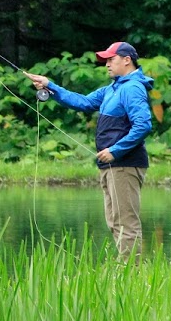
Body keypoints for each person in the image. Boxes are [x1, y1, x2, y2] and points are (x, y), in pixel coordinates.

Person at [25, 42, 154, 263]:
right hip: (111, 166)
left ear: (127, 60)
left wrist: (115, 150)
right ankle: (125, 270)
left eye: (110, 59)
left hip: (125, 164)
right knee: (115, 221)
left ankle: (132, 274)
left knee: (126, 222)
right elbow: (83, 102)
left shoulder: (132, 88)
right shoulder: (112, 89)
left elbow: (143, 125)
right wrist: (49, 85)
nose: (107, 64)